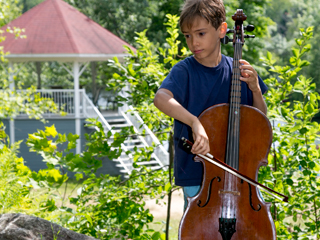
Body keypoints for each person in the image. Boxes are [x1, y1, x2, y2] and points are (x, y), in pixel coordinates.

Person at [153, 0, 268, 210]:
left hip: (240, 175)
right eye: (188, 36)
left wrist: (255, 90)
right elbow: (161, 98)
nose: (193, 42)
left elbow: (259, 122)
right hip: (199, 178)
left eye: (201, 33)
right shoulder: (184, 71)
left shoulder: (239, 71)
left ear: (222, 30)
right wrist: (194, 122)